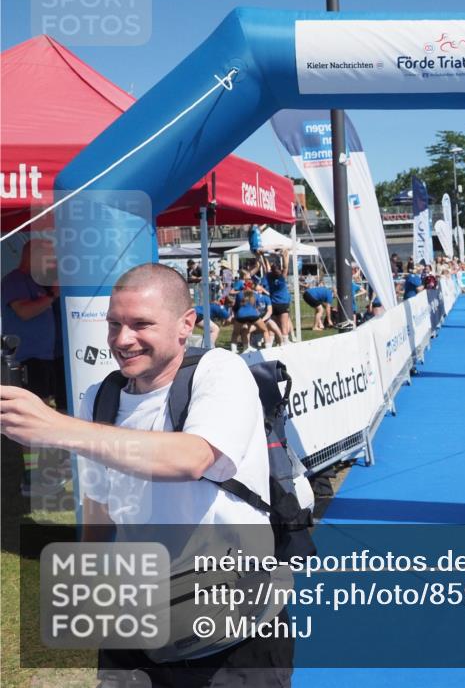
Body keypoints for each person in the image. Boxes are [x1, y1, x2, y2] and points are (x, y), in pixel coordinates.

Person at [0, 263, 292, 686]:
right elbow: (99, 504)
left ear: (184, 325)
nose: (122, 339)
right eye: (114, 323)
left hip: (232, 622)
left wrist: (57, 427)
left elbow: (192, 457)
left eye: (141, 324)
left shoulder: (219, 371)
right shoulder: (101, 397)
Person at [1, 238, 66, 498]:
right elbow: (25, 312)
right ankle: (32, 477)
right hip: (27, 358)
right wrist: (52, 295)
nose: (50, 262)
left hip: (50, 356)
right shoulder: (15, 280)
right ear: (32, 256)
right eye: (47, 257)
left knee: (55, 410)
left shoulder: (42, 282)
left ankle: (51, 467)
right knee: (27, 415)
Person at [263, 249, 292, 343]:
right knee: (284, 326)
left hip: (273, 303)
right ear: (279, 270)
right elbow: (285, 267)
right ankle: (285, 343)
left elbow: (265, 267)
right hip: (283, 304)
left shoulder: (268, 277)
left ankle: (272, 344)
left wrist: (263, 256)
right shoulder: (281, 278)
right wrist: (284, 256)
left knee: (274, 326)